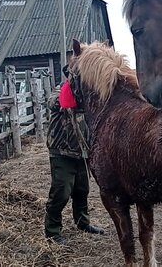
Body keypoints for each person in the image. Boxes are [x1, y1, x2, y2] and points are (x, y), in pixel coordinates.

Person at [44, 83, 104, 245]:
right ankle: (52, 230)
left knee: (82, 190)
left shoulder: (91, 93)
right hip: (61, 151)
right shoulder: (61, 90)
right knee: (61, 192)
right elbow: (54, 103)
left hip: (82, 152)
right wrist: (74, 93)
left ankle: (83, 223)